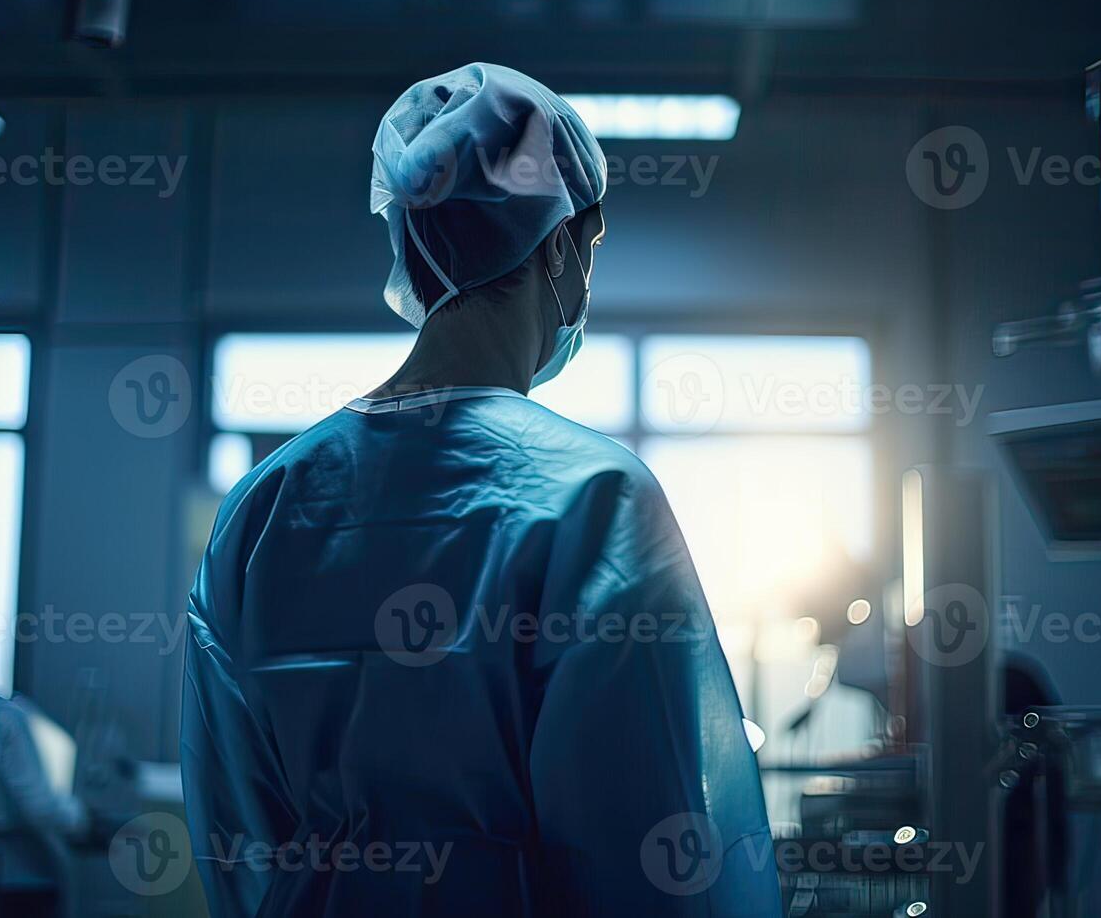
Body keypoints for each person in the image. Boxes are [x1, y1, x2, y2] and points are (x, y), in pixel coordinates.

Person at [181, 63, 780, 917]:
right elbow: (658, 848)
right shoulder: (596, 500)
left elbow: (234, 834)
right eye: (593, 247)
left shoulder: (263, 510)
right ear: (562, 245)